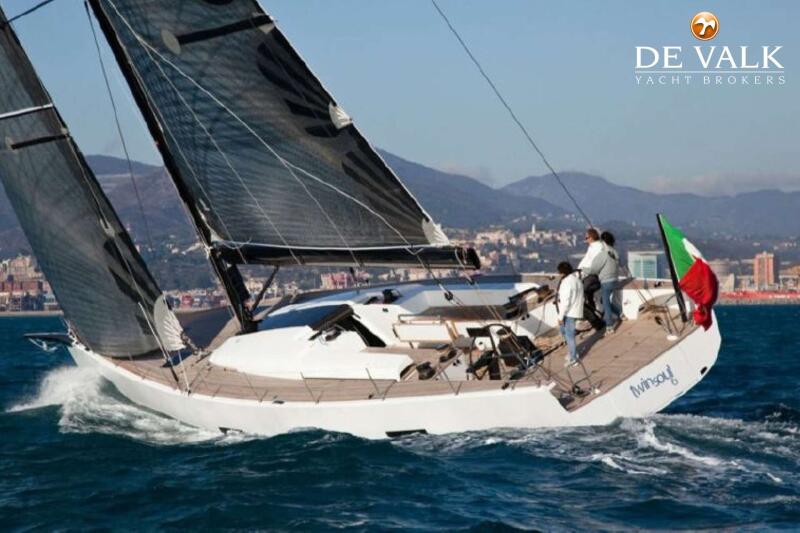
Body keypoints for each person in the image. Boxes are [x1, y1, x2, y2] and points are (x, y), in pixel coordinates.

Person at [556, 261, 584, 367]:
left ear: (562, 273)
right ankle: (572, 353)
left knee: (569, 336)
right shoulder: (577, 280)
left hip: (569, 312)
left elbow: (565, 301)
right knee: (566, 333)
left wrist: (560, 316)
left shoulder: (566, 283)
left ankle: (573, 358)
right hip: (576, 310)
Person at [577, 228, 605, 330]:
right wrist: (578, 270)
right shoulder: (592, 247)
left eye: (587, 237)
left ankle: (593, 319)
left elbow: (592, 262)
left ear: (592, 237)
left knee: (580, 293)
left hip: (594, 275)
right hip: (588, 274)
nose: (585, 239)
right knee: (587, 296)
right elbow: (585, 260)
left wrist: (582, 270)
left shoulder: (599, 247)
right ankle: (592, 316)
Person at [598, 231, 623, 334]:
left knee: (605, 303)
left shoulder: (603, 253)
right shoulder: (614, 252)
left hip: (606, 281)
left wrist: (586, 270)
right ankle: (619, 313)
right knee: (604, 300)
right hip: (615, 280)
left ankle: (609, 325)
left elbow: (594, 267)